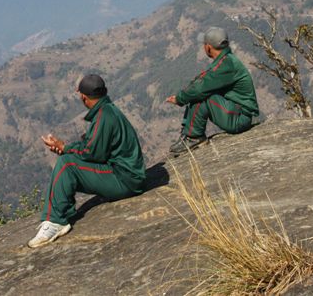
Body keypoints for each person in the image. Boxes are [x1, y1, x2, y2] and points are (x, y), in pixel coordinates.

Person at [28, 74, 146, 247]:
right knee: (68, 161)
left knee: (67, 165)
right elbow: (92, 145)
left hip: (125, 180)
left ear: (83, 96)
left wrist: (65, 149)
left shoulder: (103, 117)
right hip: (128, 176)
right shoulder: (108, 110)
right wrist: (64, 147)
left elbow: (93, 153)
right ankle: (62, 214)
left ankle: (56, 222)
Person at [166, 26, 259, 155]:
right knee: (200, 93)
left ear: (208, 47)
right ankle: (189, 135)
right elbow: (203, 80)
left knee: (202, 96)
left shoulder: (227, 64)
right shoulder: (226, 60)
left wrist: (180, 98)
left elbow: (200, 88)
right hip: (237, 113)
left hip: (240, 118)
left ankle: (193, 138)